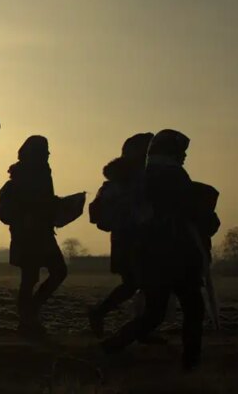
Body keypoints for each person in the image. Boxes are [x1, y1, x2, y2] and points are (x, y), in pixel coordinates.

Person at [102, 130, 214, 371]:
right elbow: (188, 211)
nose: (184, 156)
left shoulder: (144, 178)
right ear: (171, 153)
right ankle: (191, 364)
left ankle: (110, 347)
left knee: (154, 313)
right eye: (181, 152)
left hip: (149, 255)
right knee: (193, 309)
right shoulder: (173, 177)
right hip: (175, 254)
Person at [87, 133, 154, 337]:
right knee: (141, 283)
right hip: (132, 237)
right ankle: (135, 329)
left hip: (127, 236)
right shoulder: (131, 180)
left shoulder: (122, 179)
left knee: (136, 284)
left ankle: (106, 315)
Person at [1, 135, 68, 337]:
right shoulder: (26, 177)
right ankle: (28, 318)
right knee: (34, 277)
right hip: (29, 235)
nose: (48, 154)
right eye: (44, 151)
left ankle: (29, 315)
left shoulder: (39, 173)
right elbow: (17, 207)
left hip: (39, 234)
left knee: (38, 277)